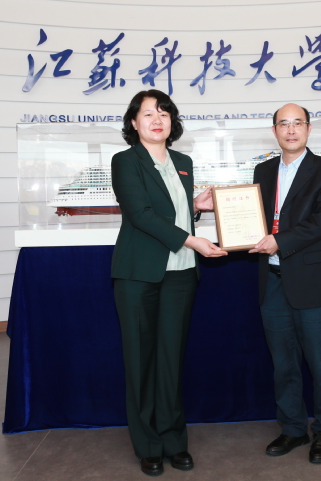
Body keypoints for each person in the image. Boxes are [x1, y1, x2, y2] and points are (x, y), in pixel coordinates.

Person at [111, 89, 227, 477]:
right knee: (140, 362)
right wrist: (193, 240)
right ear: (134, 123)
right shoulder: (125, 161)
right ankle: (148, 445)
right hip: (138, 274)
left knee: (170, 360)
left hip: (181, 274)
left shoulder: (183, 162)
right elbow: (141, 214)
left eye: (163, 112)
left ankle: (174, 441)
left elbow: (171, 209)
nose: (157, 119)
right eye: (148, 113)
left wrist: (196, 207)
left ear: (172, 121)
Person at [249, 103, 321, 464]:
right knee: (283, 363)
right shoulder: (262, 170)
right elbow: (252, 217)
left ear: (308, 129)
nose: (291, 130)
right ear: (274, 131)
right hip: (272, 282)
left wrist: (280, 240)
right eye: (283, 124)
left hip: (313, 282)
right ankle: (292, 428)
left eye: (297, 123)